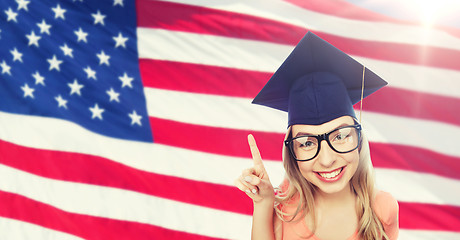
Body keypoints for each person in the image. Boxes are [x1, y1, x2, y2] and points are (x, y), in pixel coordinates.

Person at [234, 32, 399, 240]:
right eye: (307, 143)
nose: (327, 160)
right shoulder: (283, 210)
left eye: (340, 136)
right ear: (292, 152)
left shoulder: (383, 210)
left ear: (359, 139)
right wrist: (263, 203)